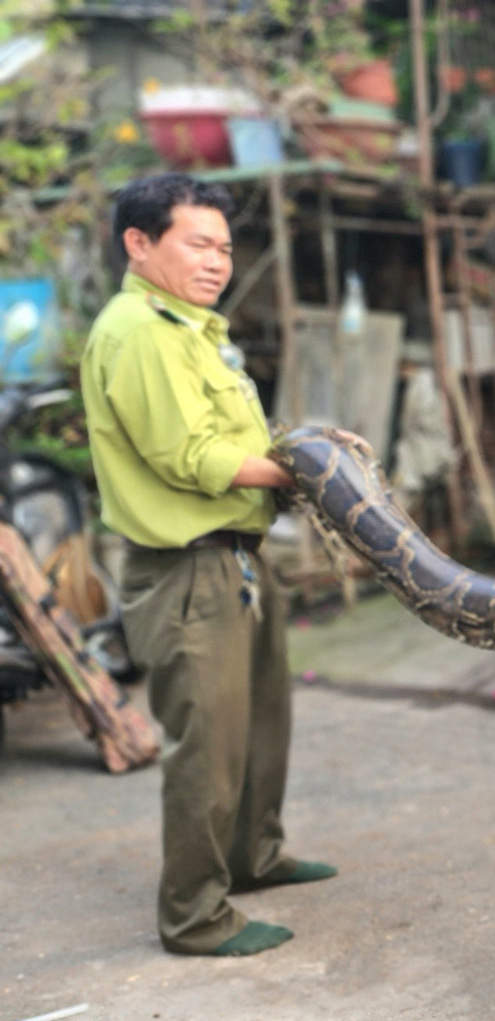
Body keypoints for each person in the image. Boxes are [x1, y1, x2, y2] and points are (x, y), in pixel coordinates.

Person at [82, 173, 337, 958]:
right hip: (185, 568)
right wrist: (310, 471)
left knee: (260, 725)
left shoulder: (193, 328)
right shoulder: (137, 332)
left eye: (224, 246)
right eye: (198, 243)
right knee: (208, 747)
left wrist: (298, 453)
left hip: (239, 557)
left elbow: (242, 437)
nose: (217, 261)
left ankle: (252, 858)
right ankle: (195, 914)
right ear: (139, 243)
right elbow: (192, 456)